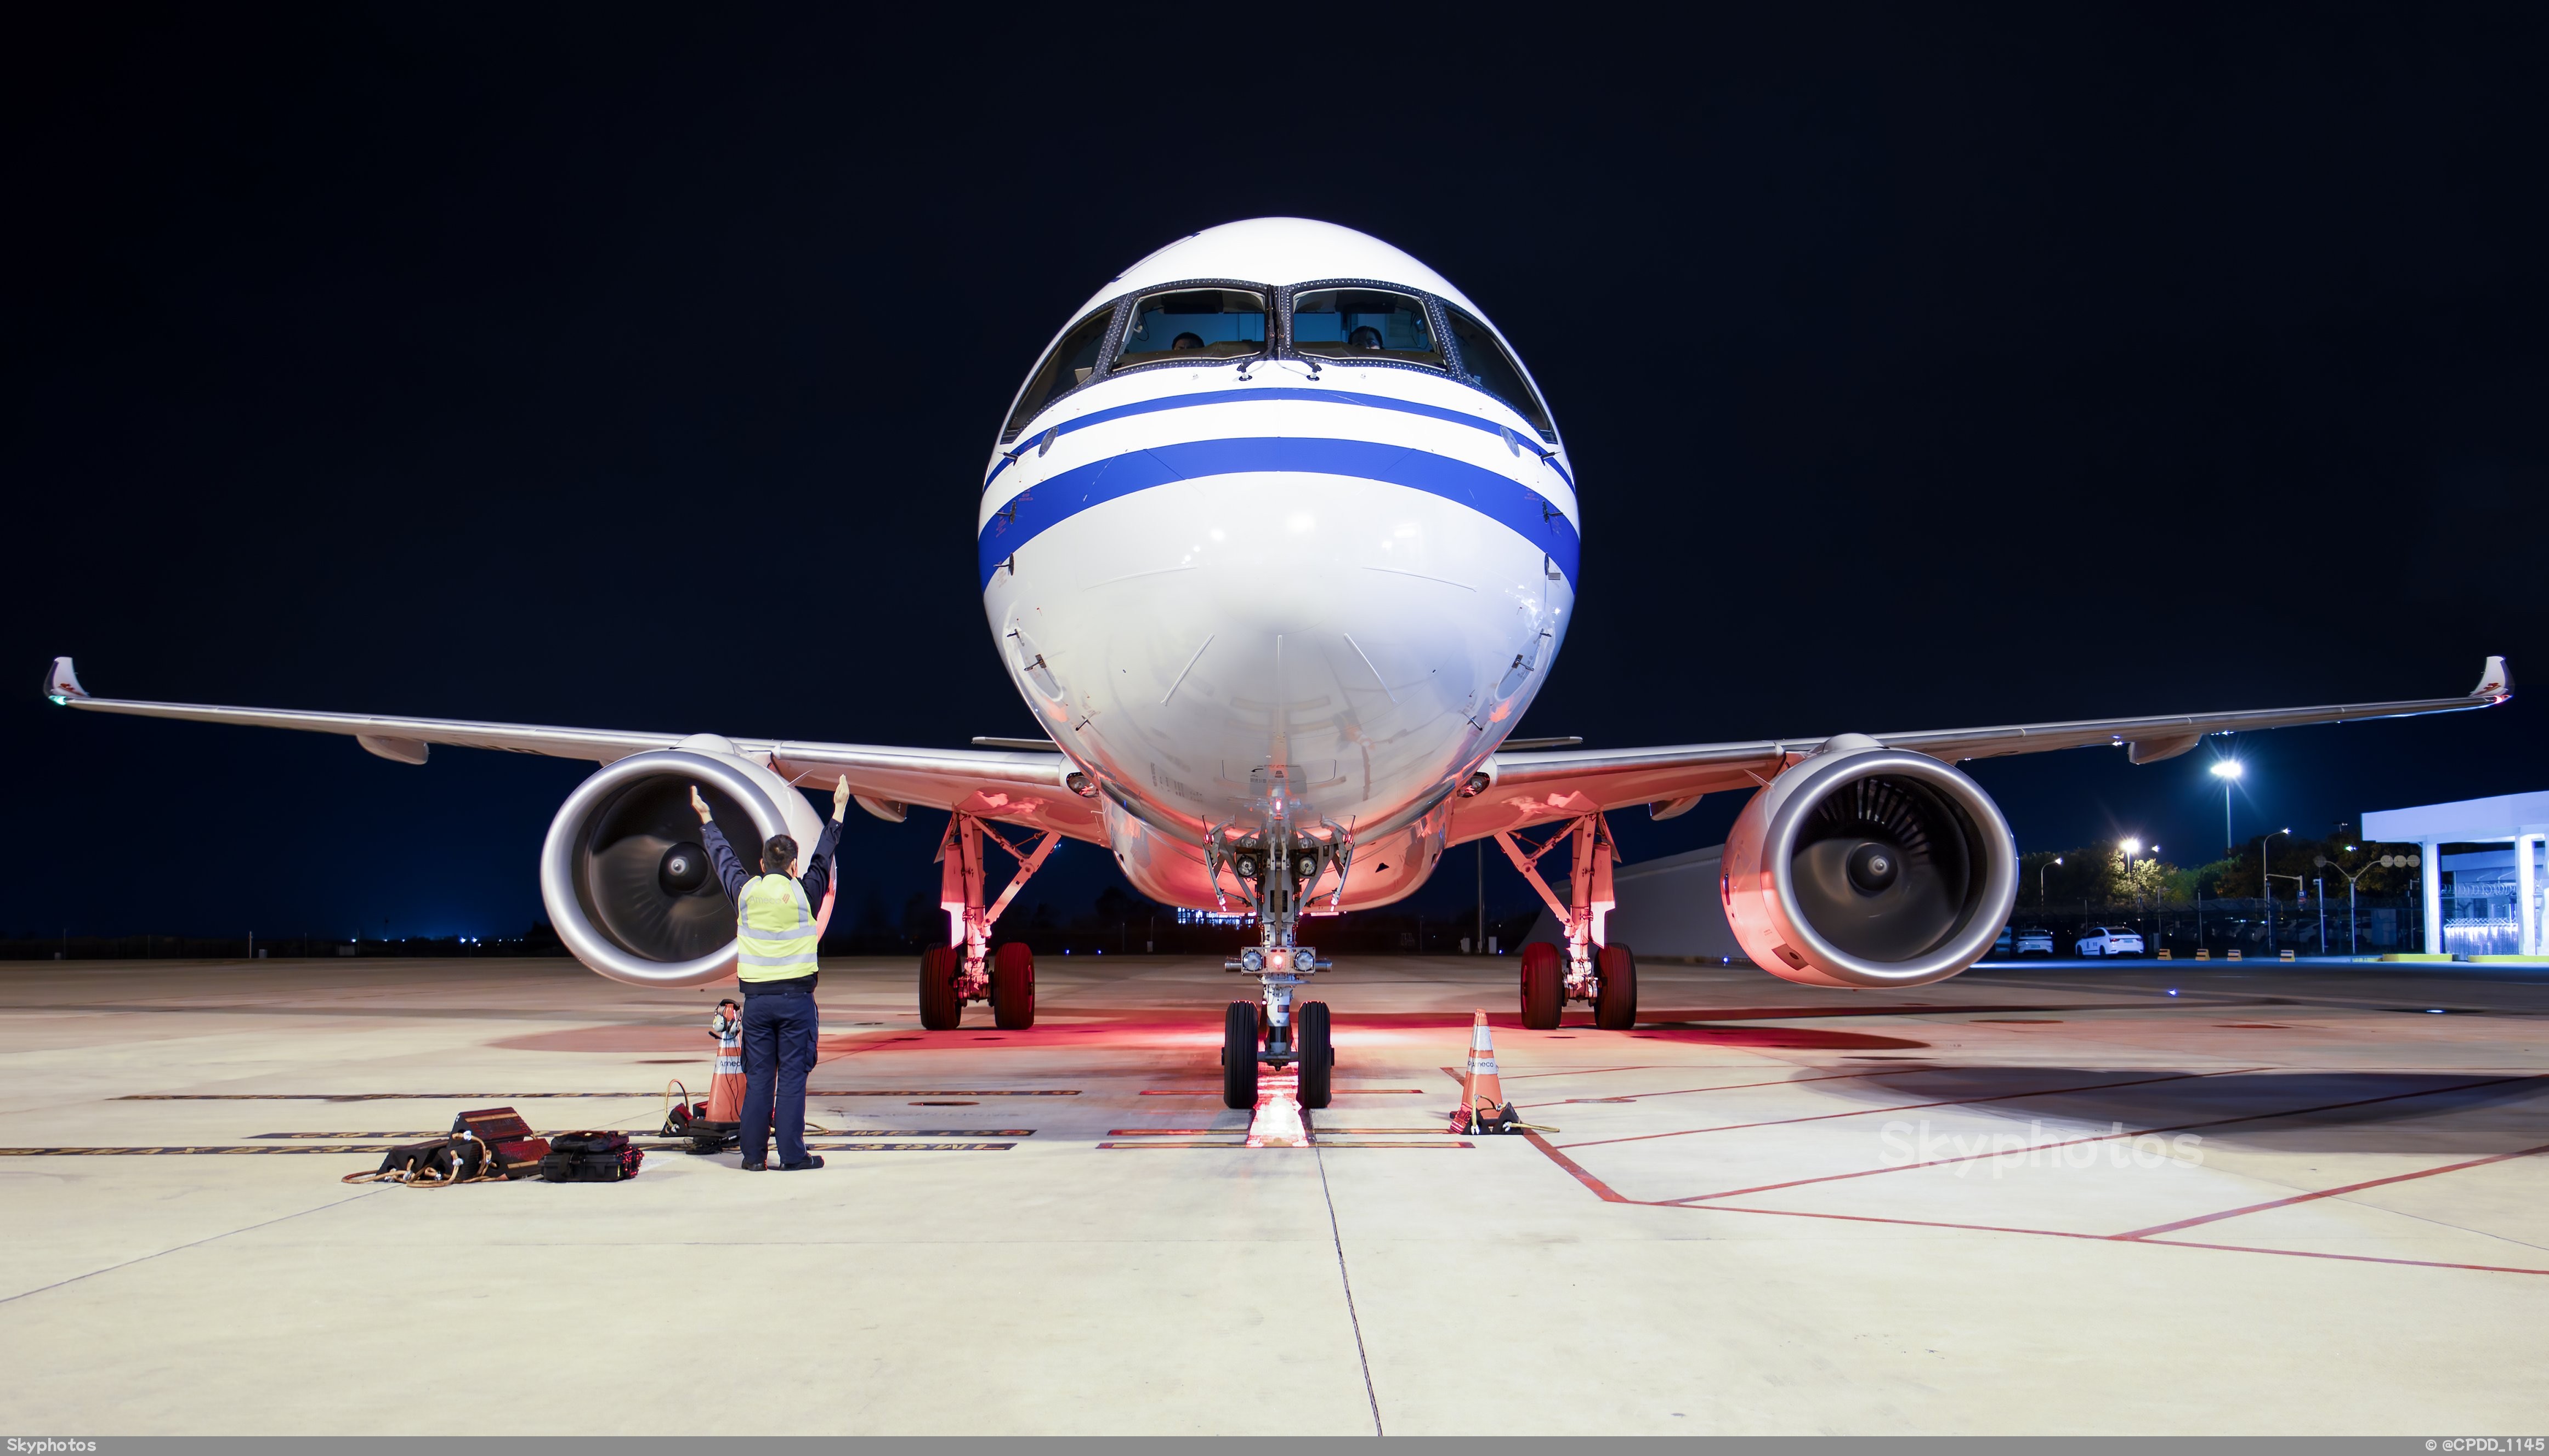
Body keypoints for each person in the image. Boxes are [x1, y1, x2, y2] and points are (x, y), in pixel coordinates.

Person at [688, 774, 852, 1170]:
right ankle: (792, 1157)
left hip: (758, 1004)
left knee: (759, 1080)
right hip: (796, 1002)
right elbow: (824, 857)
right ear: (794, 865)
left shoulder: (746, 893)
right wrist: (838, 811)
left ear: (762, 864)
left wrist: (707, 819)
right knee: (792, 1080)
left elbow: (724, 859)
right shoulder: (805, 893)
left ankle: (753, 1158)